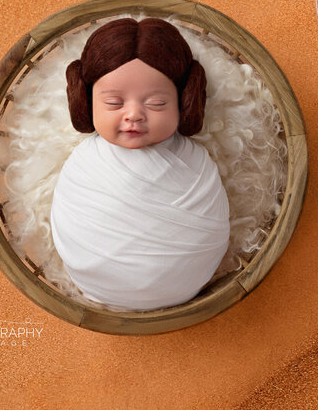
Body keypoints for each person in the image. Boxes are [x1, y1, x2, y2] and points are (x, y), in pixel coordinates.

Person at [49, 17, 230, 310]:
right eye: (114, 103)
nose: (134, 114)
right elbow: (69, 218)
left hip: (187, 282)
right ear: (86, 100)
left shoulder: (195, 161)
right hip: (96, 282)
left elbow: (214, 226)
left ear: (184, 101)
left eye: (156, 103)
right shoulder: (84, 163)